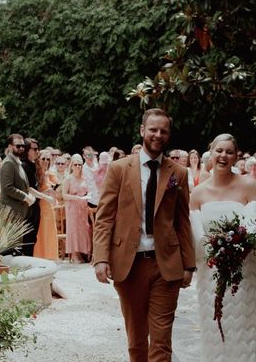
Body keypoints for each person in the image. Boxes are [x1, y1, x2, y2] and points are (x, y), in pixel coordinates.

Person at [93, 108, 195, 362]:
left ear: (168, 135)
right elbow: (104, 217)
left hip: (166, 266)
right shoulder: (118, 169)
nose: (158, 135)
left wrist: (189, 264)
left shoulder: (178, 174)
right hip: (129, 265)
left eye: (163, 131)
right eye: (153, 129)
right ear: (142, 131)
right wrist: (100, 258)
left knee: (161, 343)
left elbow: (183, 221)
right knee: (137, 341)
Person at [189, 134, 256, 361]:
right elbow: (194, 236)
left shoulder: (248, 185)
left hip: (245, 271)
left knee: (244, 326)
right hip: (211, 272)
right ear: (211, 153)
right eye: (219, 151)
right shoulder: (199, 192)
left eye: (229, 152)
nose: (223, 156)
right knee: (214, 325)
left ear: (235, 156)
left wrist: (241, 244)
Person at [0, 133, 36, 254]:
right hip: (10, 211)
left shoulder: (16, 162)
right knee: (11, 248)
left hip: (18, 211)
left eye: (23, 146)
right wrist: (25, 197)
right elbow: (7, 187)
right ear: (10, 146)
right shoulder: (8, 163)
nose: (21, 148)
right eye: (17, 146)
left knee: (16, 247)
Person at [62, 154, 91, 263]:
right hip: (72, 207)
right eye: (76, 164)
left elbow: (87, 191)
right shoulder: (68, 179)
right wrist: (76, 197)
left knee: (83, 230)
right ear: (72, 165)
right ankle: (74, 254)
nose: (78, 166)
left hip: (82, 207)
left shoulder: (84, 178)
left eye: (80, 164)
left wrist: (87, 196)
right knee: (73, 229)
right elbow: (64, 195)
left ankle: (82, 252)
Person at [33, 149, 59, 260]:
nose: (46, 161)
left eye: (48, 159)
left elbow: (58, 188)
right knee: (41, 233)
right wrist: (45, 193)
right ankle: (40, 256)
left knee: (50, 233)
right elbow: (34, 191)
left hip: (49, 206)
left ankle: (50, 256)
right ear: (38, 159)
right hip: (40, 206)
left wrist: (53, 191)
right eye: (43, 158)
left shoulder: (50, 174)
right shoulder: (36, 174)